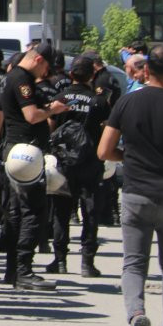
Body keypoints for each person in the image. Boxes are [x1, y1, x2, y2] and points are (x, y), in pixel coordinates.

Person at [97, 45, 163, 326]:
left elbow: (104, 150)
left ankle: (136, 314)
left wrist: (130, 159)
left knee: (134, 264)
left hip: (136, 193)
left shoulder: (126, 102)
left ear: (146, 71)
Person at [0, 42, 67, 289]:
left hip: (15, 151)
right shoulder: (22, 79)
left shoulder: (11, 75)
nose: (46, 74)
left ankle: (13, 270)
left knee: (17, 212)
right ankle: (23, 269)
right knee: (34, 211)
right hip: (25, 153)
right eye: (46, 67)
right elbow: (32, 115)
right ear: (38, 60)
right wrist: (53, 108)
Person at [47, 57, 110, 277]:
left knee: (61, 211)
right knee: (90, 212)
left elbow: (50, 127)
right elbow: (106, 129)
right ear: (91, 76)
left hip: (64, 162)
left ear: (71, 74)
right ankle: (87, 263)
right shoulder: (98, 101)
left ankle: (60, 260)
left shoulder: (60, 97)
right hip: (91, 162)